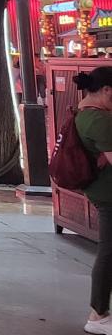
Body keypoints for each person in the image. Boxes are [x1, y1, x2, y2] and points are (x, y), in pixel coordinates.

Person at [73, 66, 112, 334]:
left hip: (100, 191)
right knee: (108, 252)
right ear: (107, 90)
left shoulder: (82, 111)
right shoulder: (100, 120)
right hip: (109, 193)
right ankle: (98, 315)